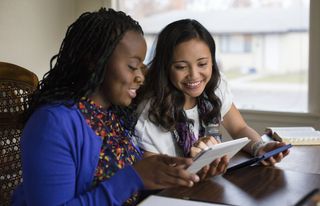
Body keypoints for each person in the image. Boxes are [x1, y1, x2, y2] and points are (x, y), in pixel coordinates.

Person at [11, 9, 200, 206]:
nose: (140, 77)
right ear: (95, 60)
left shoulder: (112, 114)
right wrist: (134, 177)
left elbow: (127, 189)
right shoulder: (52, 123)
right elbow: (126, 182)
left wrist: (163, 173)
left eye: (141, 67)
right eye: (132, 66)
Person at [134, 19, 290, 179]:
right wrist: (193, 163)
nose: (194, 75)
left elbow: (239, 128)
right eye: (181, 67)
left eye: (202, 64)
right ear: (165, 67)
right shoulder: (150, 113)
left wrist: (261, 148)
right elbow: (152, 175)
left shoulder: (215, 87)